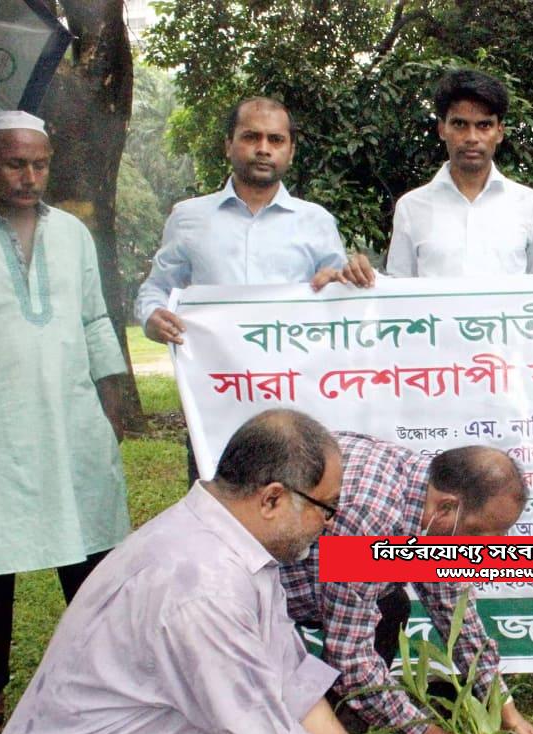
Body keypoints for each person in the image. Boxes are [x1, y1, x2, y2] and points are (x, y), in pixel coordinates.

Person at [0, 410, 406, 734]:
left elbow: (290, 683)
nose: (330, 524)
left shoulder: (236, 548)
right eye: (325, 508)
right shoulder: (204, 585)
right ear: (272, 499)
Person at [280, 433, 533, 734]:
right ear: (446, 508)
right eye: (476, 535)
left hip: (328, 569)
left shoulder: (430, 499)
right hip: (273, 588)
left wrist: (505, 708)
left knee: (390, 604)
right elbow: (351, 658)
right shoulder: (372, 520)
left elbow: (454, 613)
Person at [0, 111, 130, 734]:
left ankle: (109, 687)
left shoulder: (70, 233)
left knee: (93, 551)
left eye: (40, 163)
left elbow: (95, 317)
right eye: (16, 164)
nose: (32, 176)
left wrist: (115, 394)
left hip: (72, 416)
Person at [134, 96, 374, 483]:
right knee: (216, 517)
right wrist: (152, 317)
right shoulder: (189, 218)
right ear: (228, 144)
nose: (263, 149)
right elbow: (156, 290)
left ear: (290, 151)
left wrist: (344, 281)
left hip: (296, 410)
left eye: (276, 140)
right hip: (216, 407)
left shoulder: (316, 222)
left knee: (295, 517)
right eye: (251, 137)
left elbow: (340, 305)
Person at [385, 69, 533, 277]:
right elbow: (398, 295)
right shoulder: (411, 208)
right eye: (460, 124)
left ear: (499, 132)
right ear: (442, 129)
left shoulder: (530, 205)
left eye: (484, 125)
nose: (472, 137)